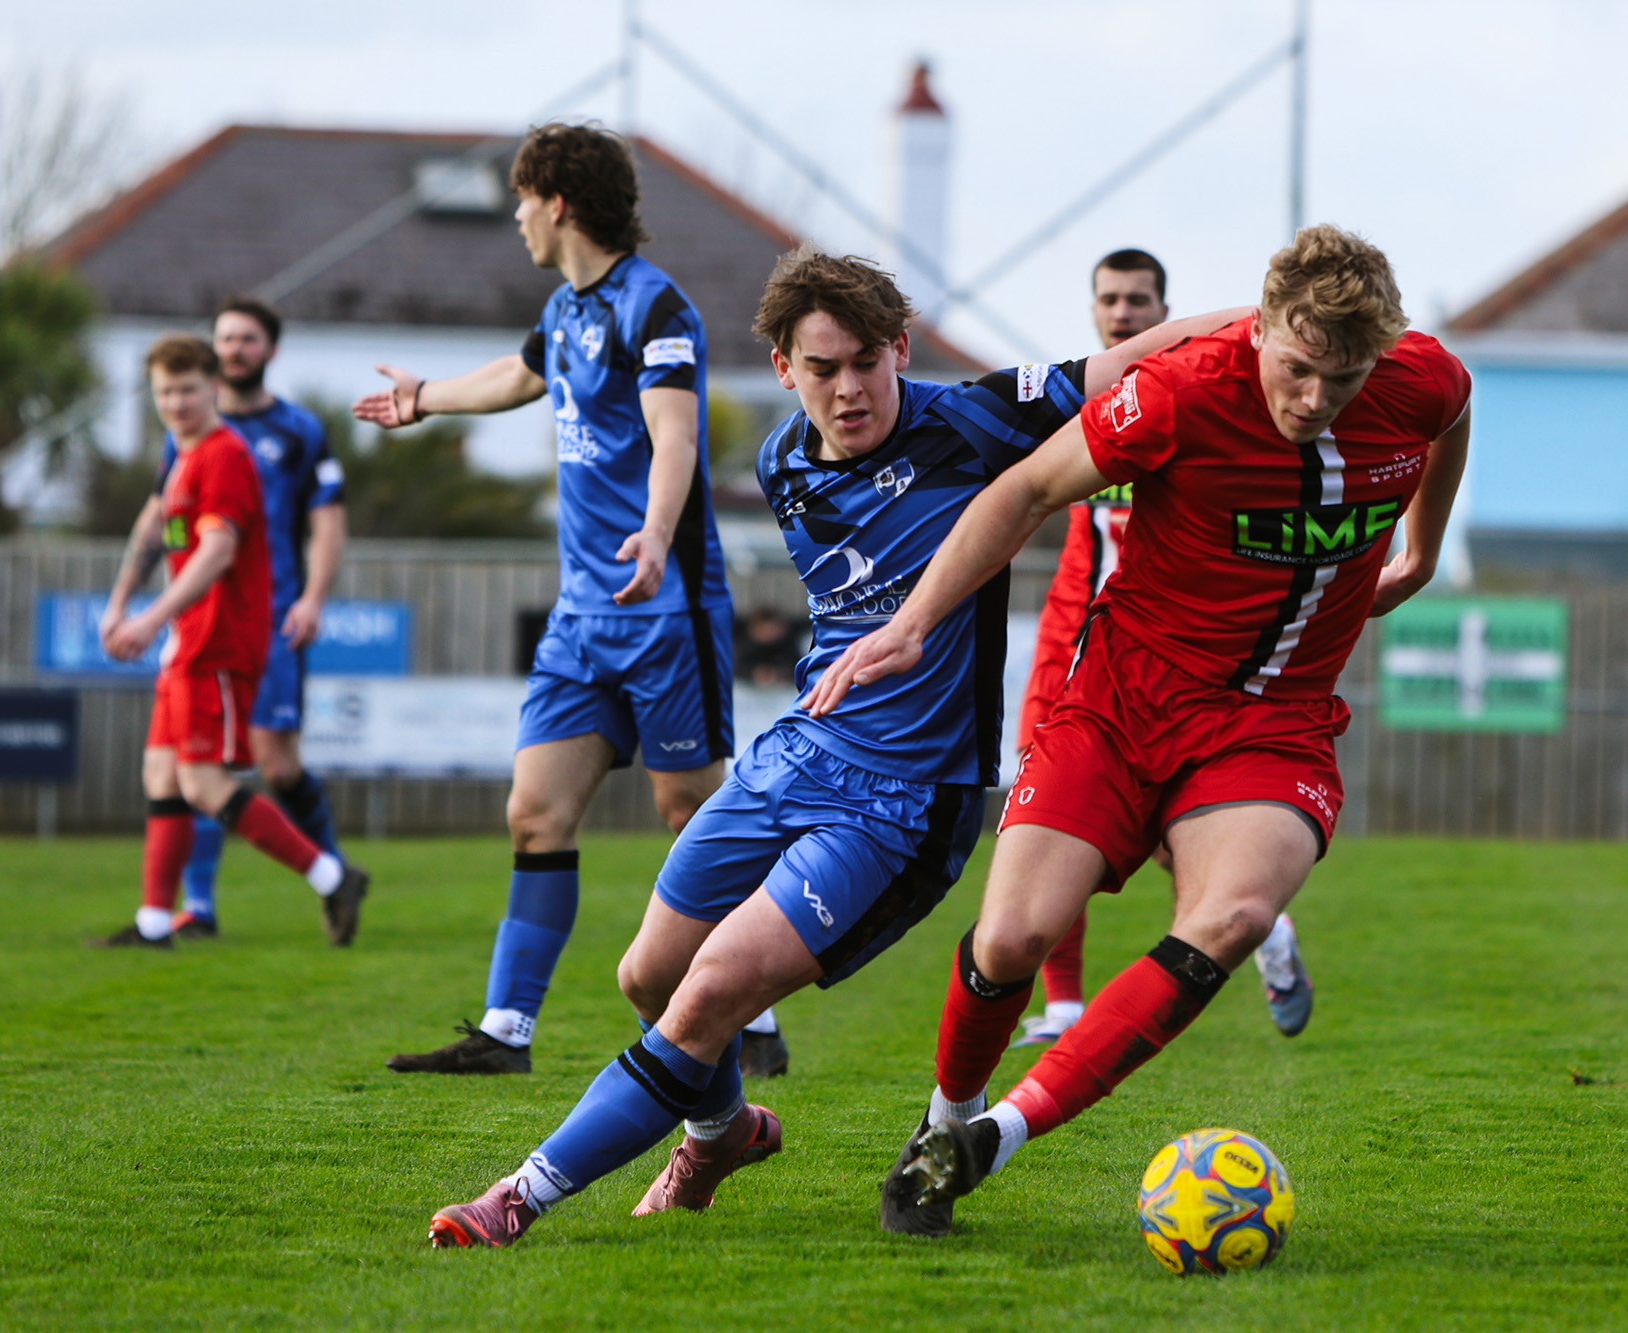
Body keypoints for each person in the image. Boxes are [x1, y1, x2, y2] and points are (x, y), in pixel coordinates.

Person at [422, 247, 1242, 1248]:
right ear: (783, 370)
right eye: (821, 368)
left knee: (712, 990)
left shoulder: (971, 419)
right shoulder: (781, 461)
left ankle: (516, 1196)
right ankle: (721, 1133)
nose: (848, 389)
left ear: (900, 349)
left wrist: (1276, 318)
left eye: (866, 361)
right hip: (797, 755)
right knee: (648, 975)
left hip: (901, 797)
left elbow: (1133, 357)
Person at [806, 224, 1471, 1236]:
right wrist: (908, 626)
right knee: (1013, 935)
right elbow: (1023, 489)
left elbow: (1453, 407)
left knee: (1233, 914)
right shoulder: (1179, 389)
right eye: (1294, 369)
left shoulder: (1416, 379)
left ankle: (994, 1137)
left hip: (1274, 724)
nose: (1310, 400)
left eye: (1339, 382)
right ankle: (941, 1118)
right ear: (1259, 331)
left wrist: (1418, 550)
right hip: (1122, 702)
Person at [352, 123, 789, 1077]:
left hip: (664, 606)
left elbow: (675, 439)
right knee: (535, 813)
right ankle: (506, 1031)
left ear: (557, 202)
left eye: (520, 198)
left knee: (692, 812)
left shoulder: (656, 306)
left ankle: (750, 1008)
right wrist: (425, 398)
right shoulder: (562, 311)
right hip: (580, 620)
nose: (513, 216)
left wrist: (656, 533)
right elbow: (517, 375)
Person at [1013, 248, 1315, 1047]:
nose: (1122, 312)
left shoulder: (1191, 395)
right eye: (1109, 298)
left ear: (1164, 308)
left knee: (1161, 827)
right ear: (1093, 310)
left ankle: (1265, 930)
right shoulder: (1082, 397)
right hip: (1068, 633)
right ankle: (1066, 1004)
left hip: (1157, 652)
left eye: (1137, 299)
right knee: (1045, 812)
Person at [92, 335, 368, 949]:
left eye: (188, 388)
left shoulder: (224, 456)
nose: (176, 401)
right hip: (187, 641)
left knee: (202, 784)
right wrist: (119, 604)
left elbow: (217, 551)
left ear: (212, 387)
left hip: (217, 641)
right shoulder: (184, 456)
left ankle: (332, 875)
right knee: (161, 775)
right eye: (165, 391)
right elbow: (153, 531)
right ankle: (154, 924)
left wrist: (148, 619)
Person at [151, 296, 348, 940]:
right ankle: (194, 908)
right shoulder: (184, 437)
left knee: (275, 765)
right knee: (190, 765)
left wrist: (313, 596)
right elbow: (166, 524)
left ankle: (334, 877)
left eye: (248, 339)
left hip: (270, 618)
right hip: (200, 626)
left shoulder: (295, 431)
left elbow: (326, 519)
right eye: (226, 338)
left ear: (270, 350)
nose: (235, 349)